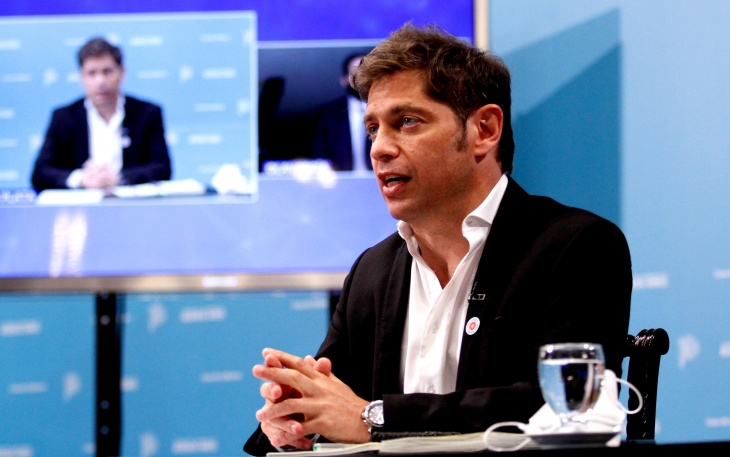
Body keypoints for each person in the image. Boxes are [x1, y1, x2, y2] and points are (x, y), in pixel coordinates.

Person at [244, 23, 632, 455]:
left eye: (406, 122)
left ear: (484, 129)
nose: (379, 149)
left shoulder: (575, 247)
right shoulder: (373, 272)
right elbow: (333, 403)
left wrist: (374, 417)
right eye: (373, 129)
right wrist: (293, 421)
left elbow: (559, 405)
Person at [31, 37, 171, 193]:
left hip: (131, 203)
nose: (100, 81)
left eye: (107, 71)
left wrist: (118, 178)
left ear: (122, 72)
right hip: (81, 203)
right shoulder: (64, 117)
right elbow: (40, 173)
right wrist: (82, 179)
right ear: (81, 77)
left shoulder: (147, 113)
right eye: (92, 73)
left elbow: (162, 168)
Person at [310, 52, 372, 173]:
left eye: (367, 70)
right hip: (340, 182)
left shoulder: (389, 111)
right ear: (344, 80)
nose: (362, 76)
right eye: (355, 71)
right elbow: (320, 160)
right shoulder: (327, 115)